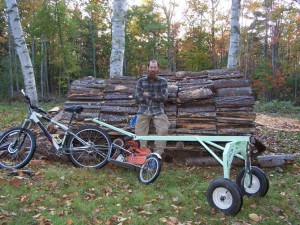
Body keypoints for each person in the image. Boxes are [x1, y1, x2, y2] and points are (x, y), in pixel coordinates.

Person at [135, 60, 170, 156]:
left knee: (163, 129)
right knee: (139, 131)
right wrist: (155, 96)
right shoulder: (141, 81)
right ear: (148, 68)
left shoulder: (162, 81)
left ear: (158, 69)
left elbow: (164, 97)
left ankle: (157, 154)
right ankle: (142, 153)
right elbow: (138, 98)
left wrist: (148, 94)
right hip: (143, 109)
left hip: (158, 110)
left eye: (155, 67)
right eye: (151, 67)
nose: (153, 69)